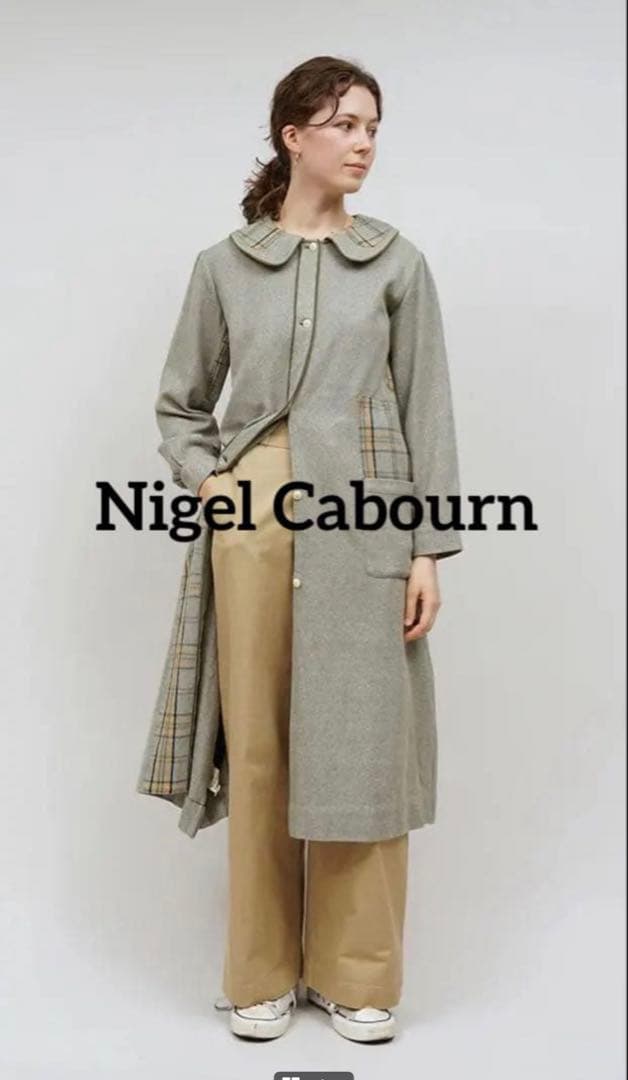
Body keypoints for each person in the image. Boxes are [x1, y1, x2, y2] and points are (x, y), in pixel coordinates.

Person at [147, 54, 464, 1044]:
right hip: (251, 522)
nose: (364, 143)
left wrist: (426, 550)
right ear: (294, 136)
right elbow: (180, 405)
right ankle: (259, 972)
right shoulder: (224, 266)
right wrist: (214, 483)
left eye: (373, 126)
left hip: (368, 520)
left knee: (360, 741)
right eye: (345, 124)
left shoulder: (398, 264)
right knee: (259, 745)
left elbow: (427, 408)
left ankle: (356, 973)